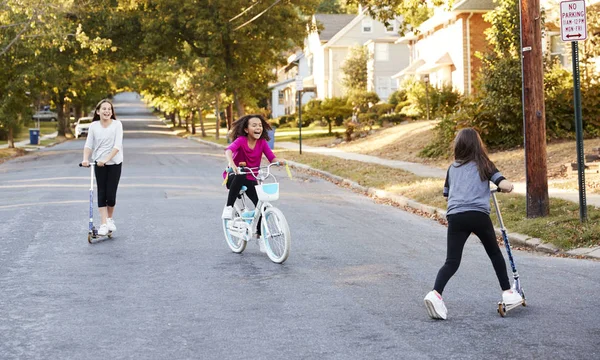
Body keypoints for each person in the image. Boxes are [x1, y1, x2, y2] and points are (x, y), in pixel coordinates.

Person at [423, 128, 522, 320]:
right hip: (478, 214)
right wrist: (508, 187)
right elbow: (502, 183)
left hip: (456, 217)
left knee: (451, 261)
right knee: (494, 253)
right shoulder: (484, 164)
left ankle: (435, 294)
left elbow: (446, 194)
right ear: (478, 145)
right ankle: (508, 293)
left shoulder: (452, 168)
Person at [221, 114, 284, 222]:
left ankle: (260, 235)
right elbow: (228, 150)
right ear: (246, 129)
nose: (258, 128)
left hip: (251, 178)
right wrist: (232, 163)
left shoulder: (262, 142)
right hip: (234, 176)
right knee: (242, 172)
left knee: (261, 206)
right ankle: (229, 207)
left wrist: (279, 162)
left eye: (260, 125)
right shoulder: (241, 140)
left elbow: (271, 158)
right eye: (254, 125)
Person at [81, 99, 124, 236]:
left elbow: (117, 146)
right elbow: (89, 145)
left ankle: (110, 219)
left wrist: (105, 160)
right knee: (101, 193)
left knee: (110, 195)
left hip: (114, 163)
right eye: (104, 109)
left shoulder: (117, 125)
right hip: (99, 163)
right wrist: (85, 159)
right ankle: (104, 224)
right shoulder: (94, 126)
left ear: (112, 112)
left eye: (109, 109)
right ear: (98, 111)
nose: (107, 111)